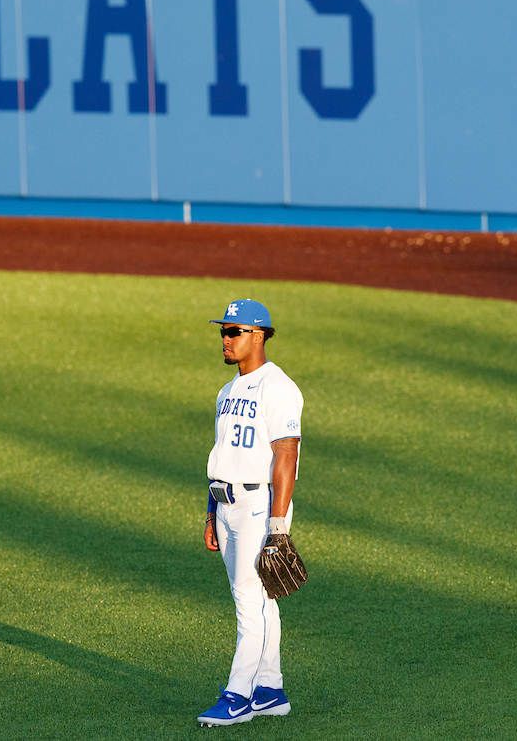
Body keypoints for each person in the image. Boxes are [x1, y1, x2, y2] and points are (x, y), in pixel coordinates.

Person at [196, 299, 303, 727]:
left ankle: (237, 695)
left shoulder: (279, 388)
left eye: (234, 331)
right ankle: (270, 688)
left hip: (261, 506)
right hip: (226, 505)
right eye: (223, 331)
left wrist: (277, 527)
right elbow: (222, 454)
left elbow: (286, 458)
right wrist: (210, 515)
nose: (225, 338)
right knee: (262, 601)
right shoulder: (227, 391)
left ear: (258, 336)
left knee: (248, 600)